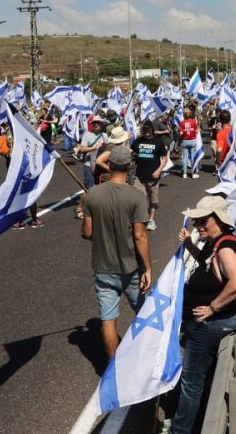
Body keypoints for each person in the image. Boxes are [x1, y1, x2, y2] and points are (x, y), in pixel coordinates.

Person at [173, 196, 236, 434]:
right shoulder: (217, 242)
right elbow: (207, 263)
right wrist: (189, 244)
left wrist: (213, 307)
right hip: (209, 326)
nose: (198, 226)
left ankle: (181, 430)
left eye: (203, 221)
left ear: (218, 219)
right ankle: (196, 421)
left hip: (208, 326)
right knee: (202, 377)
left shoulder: (225, 247)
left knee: (191, 382)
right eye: (196, 222)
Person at [81, 145, 152, 359]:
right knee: (145, 312)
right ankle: (149, 355)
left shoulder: (92, 195)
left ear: (109, 165)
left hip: (103, 267)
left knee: (108, 319)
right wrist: (147, 267)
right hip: (131, 267)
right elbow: (140, 236)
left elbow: (87, 233)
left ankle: (113, 367)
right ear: (129, 166)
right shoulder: (137, 196)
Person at [131, 120, 167, 231]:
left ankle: (151, 220)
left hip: (153, 177)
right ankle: (140, 219)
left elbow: (165, 158)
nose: (146, 131)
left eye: (148, 129)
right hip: (139, 176)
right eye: (144, 129)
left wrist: (159, 170)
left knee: (153, 201)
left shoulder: (158, 142)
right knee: (138, 199)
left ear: (152, 129)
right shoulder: (138, 141)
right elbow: (130, 151)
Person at [73, 116, 108, 218]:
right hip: (89, 165)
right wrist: (94, 147)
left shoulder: (104, 135)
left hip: (100, 165)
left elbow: (109, 147)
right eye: (94, 123)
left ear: (102, 124)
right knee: (89, 189)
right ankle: (79, 207)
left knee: (99, 189)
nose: (96, 124)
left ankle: (94, 210)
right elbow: (82, 149)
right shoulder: (87, 134)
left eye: (98, 122)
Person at [178, 109, 199, 178]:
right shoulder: (193, 122)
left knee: (185, 157)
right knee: (193, 157)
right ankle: (193, 173)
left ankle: (184, 173)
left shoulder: (182, 123)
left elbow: (181, 133)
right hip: (192, 140)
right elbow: (197, 132)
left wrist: (184, 130)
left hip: (185, 141)